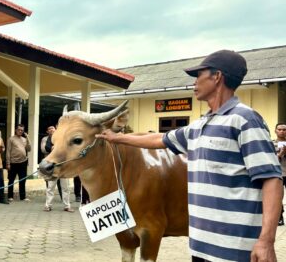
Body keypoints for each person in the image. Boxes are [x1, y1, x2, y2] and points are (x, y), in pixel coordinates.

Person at [97, 50, 282, 262]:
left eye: (198, 76)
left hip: (236, 248)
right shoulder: (200, 126)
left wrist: (266, 241)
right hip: (201, 246)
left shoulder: (245, 119)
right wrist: (116, 138)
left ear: (217, 77)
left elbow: (271, 180)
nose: (194, 83)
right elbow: (160, 139)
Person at [40, 125, 72, 212]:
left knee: (65, 187)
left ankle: (67, 206)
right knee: (50, 187)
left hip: (63, 166)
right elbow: (45, 149)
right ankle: (48, 206)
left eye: (53, 128)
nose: (52, 130)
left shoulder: (63, 138)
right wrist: (52, 148)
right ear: (48, 131)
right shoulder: (47, 139)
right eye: (49, 129)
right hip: (52, 166)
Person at [6, 124, 31, 202]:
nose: (20, 131)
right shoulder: (11, 139)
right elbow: (8, 151)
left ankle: (23, 197)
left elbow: (29, 149)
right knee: (11, 180)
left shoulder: (24, 139)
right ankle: (10, 196)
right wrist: (8, 163)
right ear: (15, 130)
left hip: (23, 162)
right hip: (13, 162)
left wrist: (27, 137)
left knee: (22, 180)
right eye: (19, 130)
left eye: (22, 130)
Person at [274, 122, 286, 226]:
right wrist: (280, 154)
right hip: (279, 173)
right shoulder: (270, 143)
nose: (282, 131)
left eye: (284, 130)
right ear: (275, 131)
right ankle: (279, 218)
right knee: (278, 197)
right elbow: (270, 159)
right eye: (280, 129)